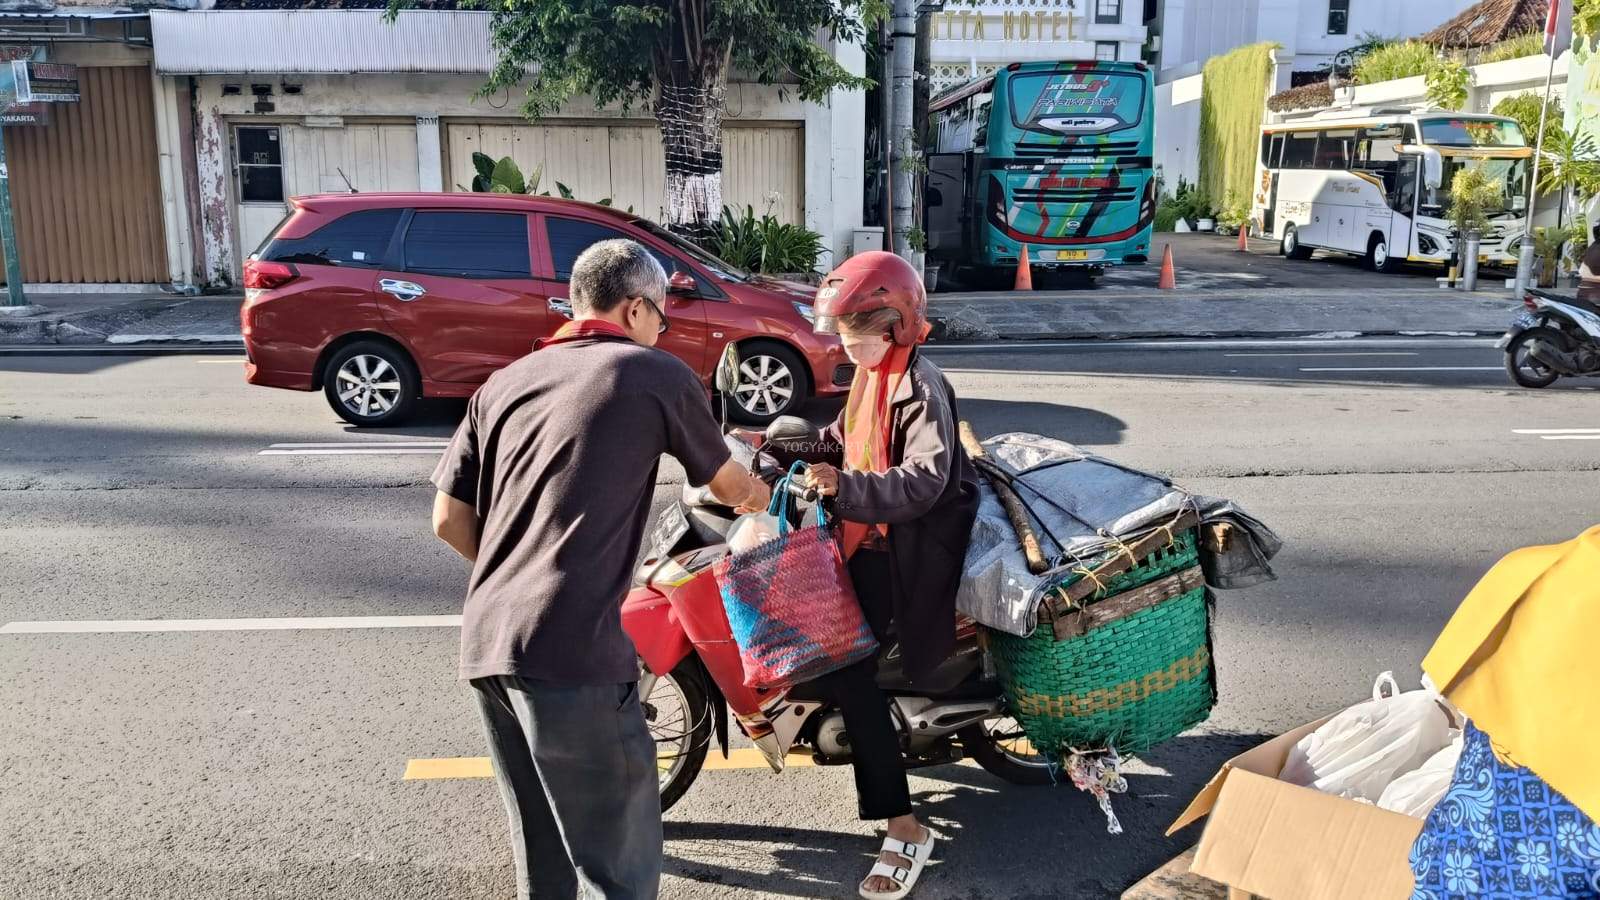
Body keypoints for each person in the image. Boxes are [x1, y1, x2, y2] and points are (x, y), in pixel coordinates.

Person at [430, 238, 771, 900]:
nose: (662, 330)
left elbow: (447, 518)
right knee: (619, 868)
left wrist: (524, 572)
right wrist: (771, 496)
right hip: (574, 652)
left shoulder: (504, 382)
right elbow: (727, 485)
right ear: (637, 308)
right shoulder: (650, 372)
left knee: (546, 855)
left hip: (488, 645)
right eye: (664, 317)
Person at [796, 251, 980, 900]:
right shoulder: (872, 376)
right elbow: (843, 434)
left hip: (906, 550)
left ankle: (904, 826)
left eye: (857, 331)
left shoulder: (920, 384)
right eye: (842, 333)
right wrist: (784, 449)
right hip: (864, 536)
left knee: (851, 672)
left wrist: (843, 487)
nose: (849, 345)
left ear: (896, 322)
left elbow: (926, 479)